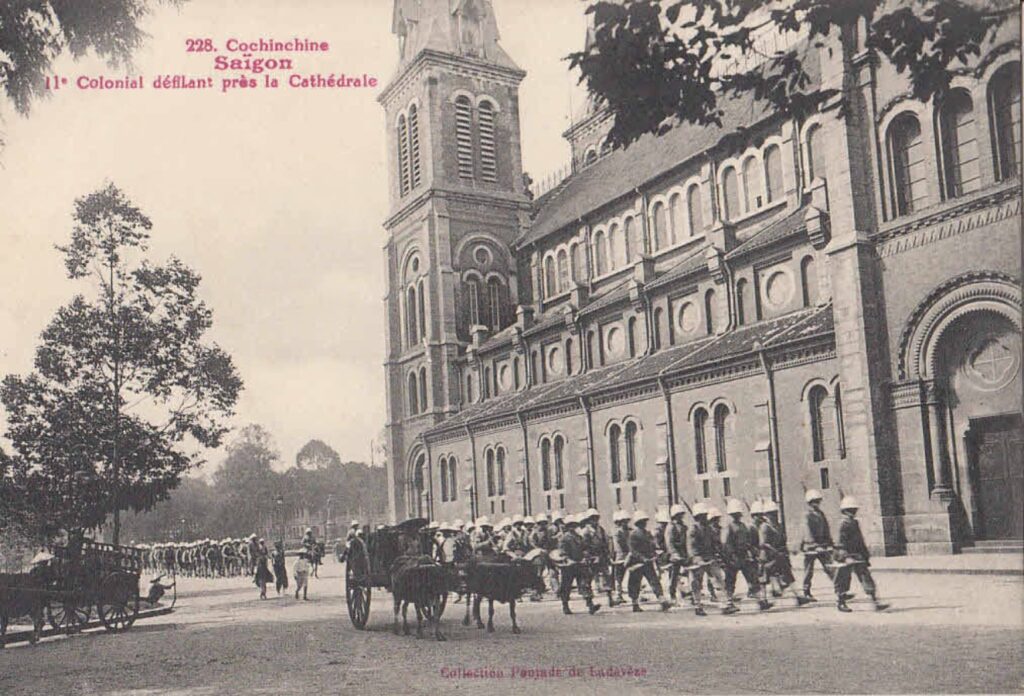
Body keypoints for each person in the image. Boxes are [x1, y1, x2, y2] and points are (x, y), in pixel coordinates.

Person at [833, 497, 890, 612]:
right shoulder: (842, 524)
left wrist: (865, 555)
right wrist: (845, 557)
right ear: (844, 511)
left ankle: (875, 602)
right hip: (846, 556)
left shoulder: (855, 523)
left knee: (866, 578)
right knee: (843, 579)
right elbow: (840, 542)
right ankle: (840, 602)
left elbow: (859, 540)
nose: (852, 513)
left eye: (854, 510)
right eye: (850, 510)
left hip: (857, 555)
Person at [755, 500, 812, 607]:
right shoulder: (765, 527)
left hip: (779, 556)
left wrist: (786, 551)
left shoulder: (778, 526)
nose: (774, 515)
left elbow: (782, 541)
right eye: (771, 513)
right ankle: (763, 601)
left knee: (788, 575)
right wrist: (775, 551)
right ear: (766, 514)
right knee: (764, 579)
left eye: (775, 513)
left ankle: (799, 597)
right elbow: (763, 544)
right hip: (768, 556)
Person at [722, 499, 771, 611]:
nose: (737, 515)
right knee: (730, 581)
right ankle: (729, 604)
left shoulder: (744, 526)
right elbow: (726, 543)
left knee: (753, 578)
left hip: (744, 556)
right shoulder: (728, 527)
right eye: (735, 514)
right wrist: (731, 556)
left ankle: (761, 601)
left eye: (738, 513)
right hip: (733, 558)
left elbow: (748, 542)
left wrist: (753, 552)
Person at [688, 504, 736, 616]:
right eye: (703, 515)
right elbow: (691, 546)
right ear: (698, 517)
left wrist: (720, 553)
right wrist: (697, 558)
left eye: (705, 515)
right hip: (698, 559)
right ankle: (698, 606)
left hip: (710, 558)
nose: (705, 517)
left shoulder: (709, 529)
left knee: (718, 581)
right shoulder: (693, 529)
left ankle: (724, 605)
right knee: (696, 583)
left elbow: (715, 543)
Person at [626, 511, 672, 612]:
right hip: (636, 563)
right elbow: (633, 550)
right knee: (634, 583)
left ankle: (662, 600)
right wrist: (643, 558)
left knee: (654, 581)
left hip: (648, 562)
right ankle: (635, 604)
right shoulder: (633, 534)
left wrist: (656, 552)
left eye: (645, 521)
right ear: (638, 523)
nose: (644, 523)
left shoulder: (647, 533)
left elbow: (652, 545)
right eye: (642, 521)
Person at [557, 515, 601, 615]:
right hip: (568, 566)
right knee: (566, 586)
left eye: (574, 525)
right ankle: (565, 605)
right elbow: (562, 552)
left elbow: (584, 548)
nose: (573, 527)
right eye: (571, 525)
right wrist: (568, 560)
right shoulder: (564, 538)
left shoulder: (578, 536)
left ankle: (590, 605)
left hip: (580, 564)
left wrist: (586, 555)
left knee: (585, 584)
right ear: (567, 527)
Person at [800, 489, 836, 601]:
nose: (817, 503)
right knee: (809, 570)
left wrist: (830, 542)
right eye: (815, 501)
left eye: (818, 501)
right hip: (810, 547)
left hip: (822, 545)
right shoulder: (807, 515)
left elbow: (826, 529)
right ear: (809, 503)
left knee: (829, 567)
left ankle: (840, 590)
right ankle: (806, 592)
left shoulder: (821, 514)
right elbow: (807, 532)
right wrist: (813, 544)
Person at [665, 504, 689, 604]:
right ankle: (672, 594)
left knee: (688, 573)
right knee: (674, 576)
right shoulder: (671, 527)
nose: (681, 516)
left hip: (684, 553)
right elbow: (669, 542)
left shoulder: (684, 526)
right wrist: (674, 554)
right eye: (679, 514)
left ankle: (686, 591)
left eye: (681, 514)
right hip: (675, 554)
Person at [610, 510, 631, 605]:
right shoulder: (617, 532)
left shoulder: (629, 531)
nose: (625, 523)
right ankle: (618, 595)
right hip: (620, 557)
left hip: (630, 556)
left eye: (626, 521)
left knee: (634, 575)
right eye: (623, 521)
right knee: (619, 577)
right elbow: (620, 545)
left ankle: (636, 594)